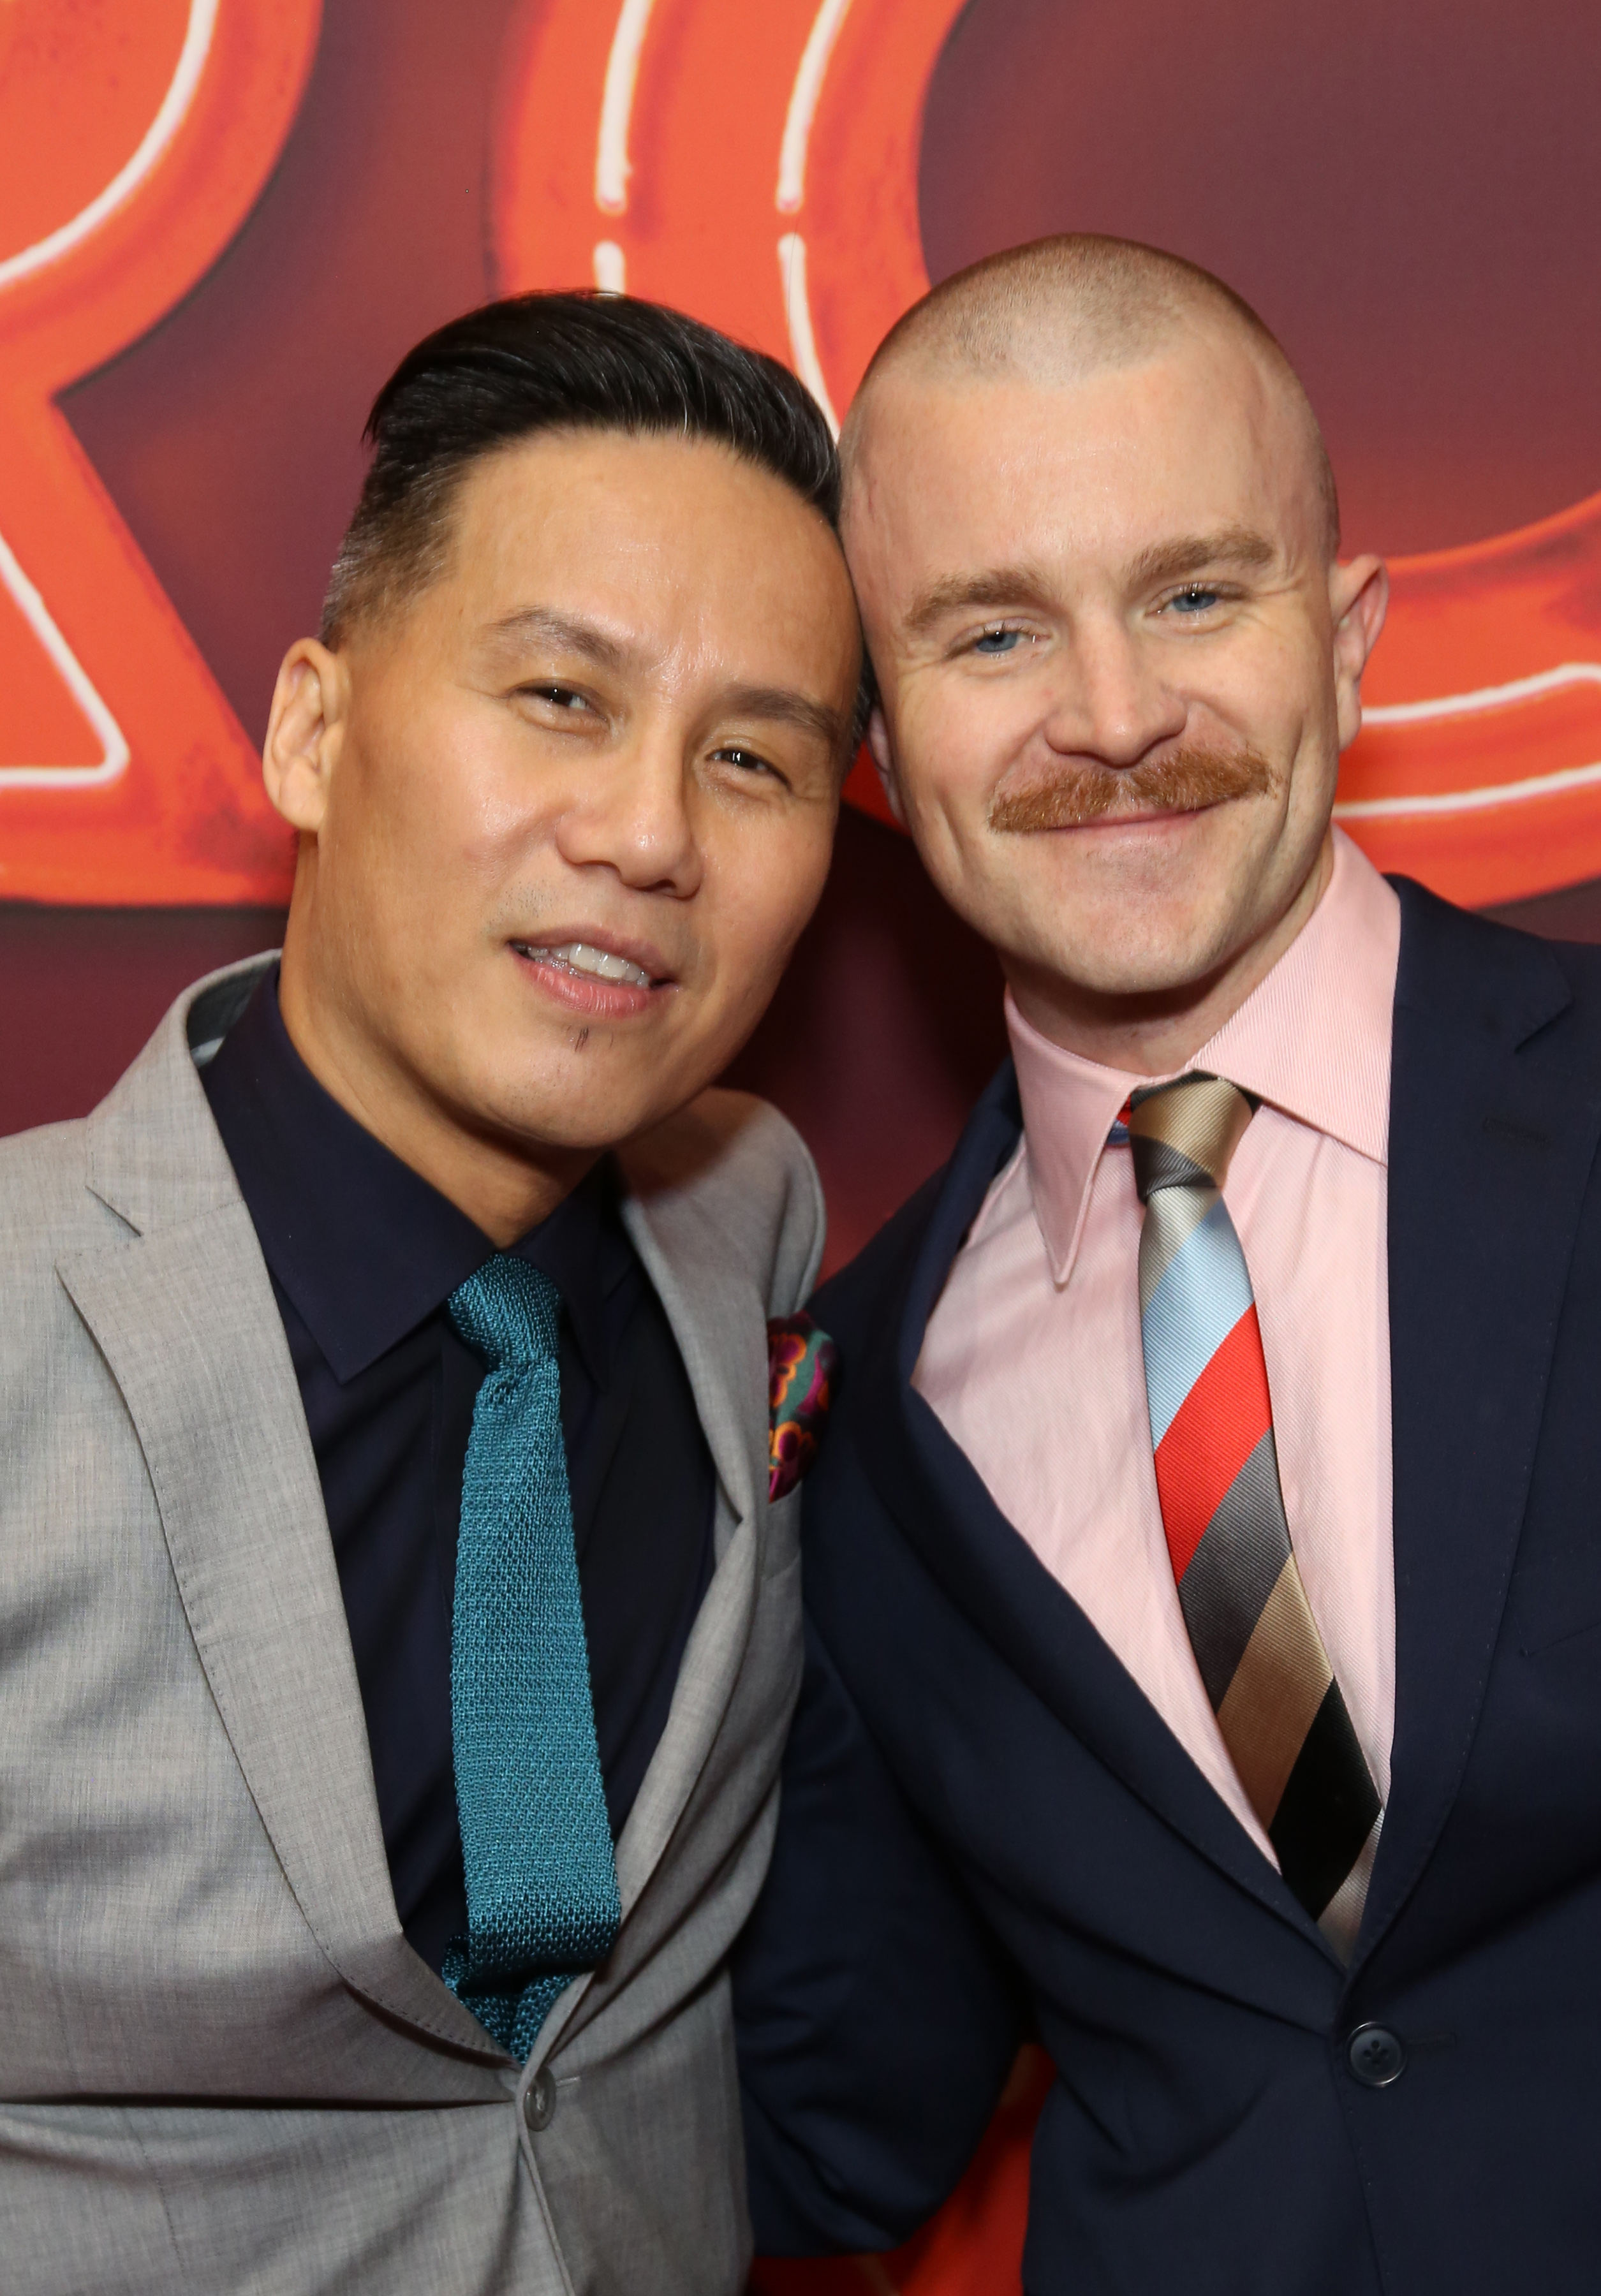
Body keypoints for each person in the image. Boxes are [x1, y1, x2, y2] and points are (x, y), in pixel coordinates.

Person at [734, 234, 1601, 2292]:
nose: (1115, 719)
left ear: (1354, 640)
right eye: (993, 634)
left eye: (1198, 593)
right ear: (879, 744)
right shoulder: (854, 1413)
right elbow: (824, 2113)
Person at [0, 291, 862, 2296]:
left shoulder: (756, 1228)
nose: (648, 834)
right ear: (315, 727)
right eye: (561, 697)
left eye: (752, 758)